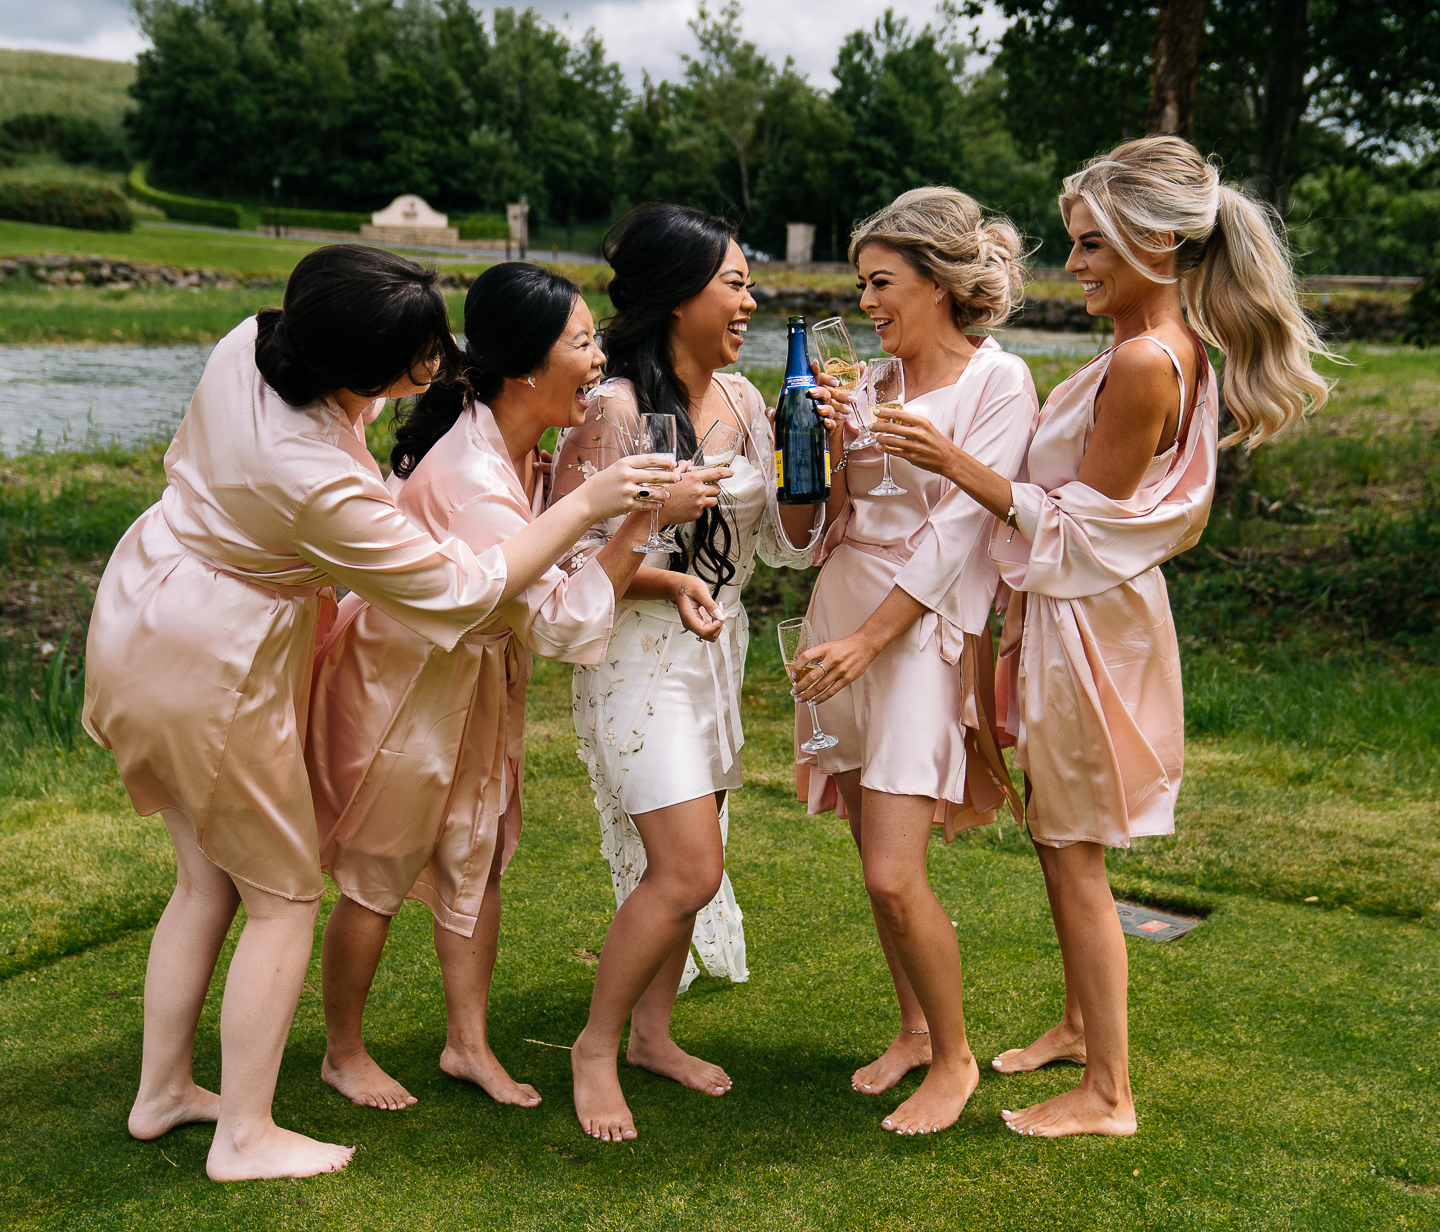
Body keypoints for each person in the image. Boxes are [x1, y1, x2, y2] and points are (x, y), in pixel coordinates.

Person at [82, 245, 673, 1181]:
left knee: (207, 881)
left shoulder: (252, 343)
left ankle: (163, 1091)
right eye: (419, 358)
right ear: (358, 369)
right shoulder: (318, 479)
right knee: (284, 898)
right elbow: (469, 588)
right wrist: (596, 501)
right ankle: (245, 1134)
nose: (440, 368)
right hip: (210, 659)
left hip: (147, 607)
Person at [870, 136, 1331, 1136]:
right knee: (1056, 836)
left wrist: (957, 461)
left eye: (1090, 246)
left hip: (1087, 627)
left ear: (1158, 243)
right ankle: (1082, 1024)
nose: (1071, 265)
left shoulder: (1142, 361)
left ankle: (1108, 1093)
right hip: (1076, 616)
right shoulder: (1156, 347)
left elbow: (1079, 525)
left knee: (1073, 847)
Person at [307, 262, 725, 1114]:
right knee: (376, 873)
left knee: (479, 852)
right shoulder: (471, 478)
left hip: (477, 674)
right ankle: (343, 1053)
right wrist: (645, 519)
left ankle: (468, 1046)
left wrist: (665, 576)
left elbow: (564, 570)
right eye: (581, 342)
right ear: (526, 365)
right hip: (408, 684)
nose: (599, 361)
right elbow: (567, 622)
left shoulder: (520, 443)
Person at [553, 203, 826, 1142]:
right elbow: (563, 565)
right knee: (688, 869)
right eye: (735, 281)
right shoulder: (614, 410)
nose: (751, 299)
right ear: (679, 297)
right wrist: (667, 575)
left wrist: (817, 465)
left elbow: (790, 550)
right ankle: (596, 1044)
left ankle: (652, 1036)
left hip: (718, 655)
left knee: (689, 865)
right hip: (636, 661)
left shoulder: (753, 404)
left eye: (749, 281)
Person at [788, 187, 1038, 1136]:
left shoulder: (998, 384)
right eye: (861, 285)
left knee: (897, 872)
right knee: (868, 857)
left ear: (939, 282)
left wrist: (864, 643)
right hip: (839, 613)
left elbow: (959, 538)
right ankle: (911, 1031)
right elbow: (831, 527)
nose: (867, 304)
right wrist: (817, 447)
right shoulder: (874, 386)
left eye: (881, 283)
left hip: (912, 637)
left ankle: (958, 1056)